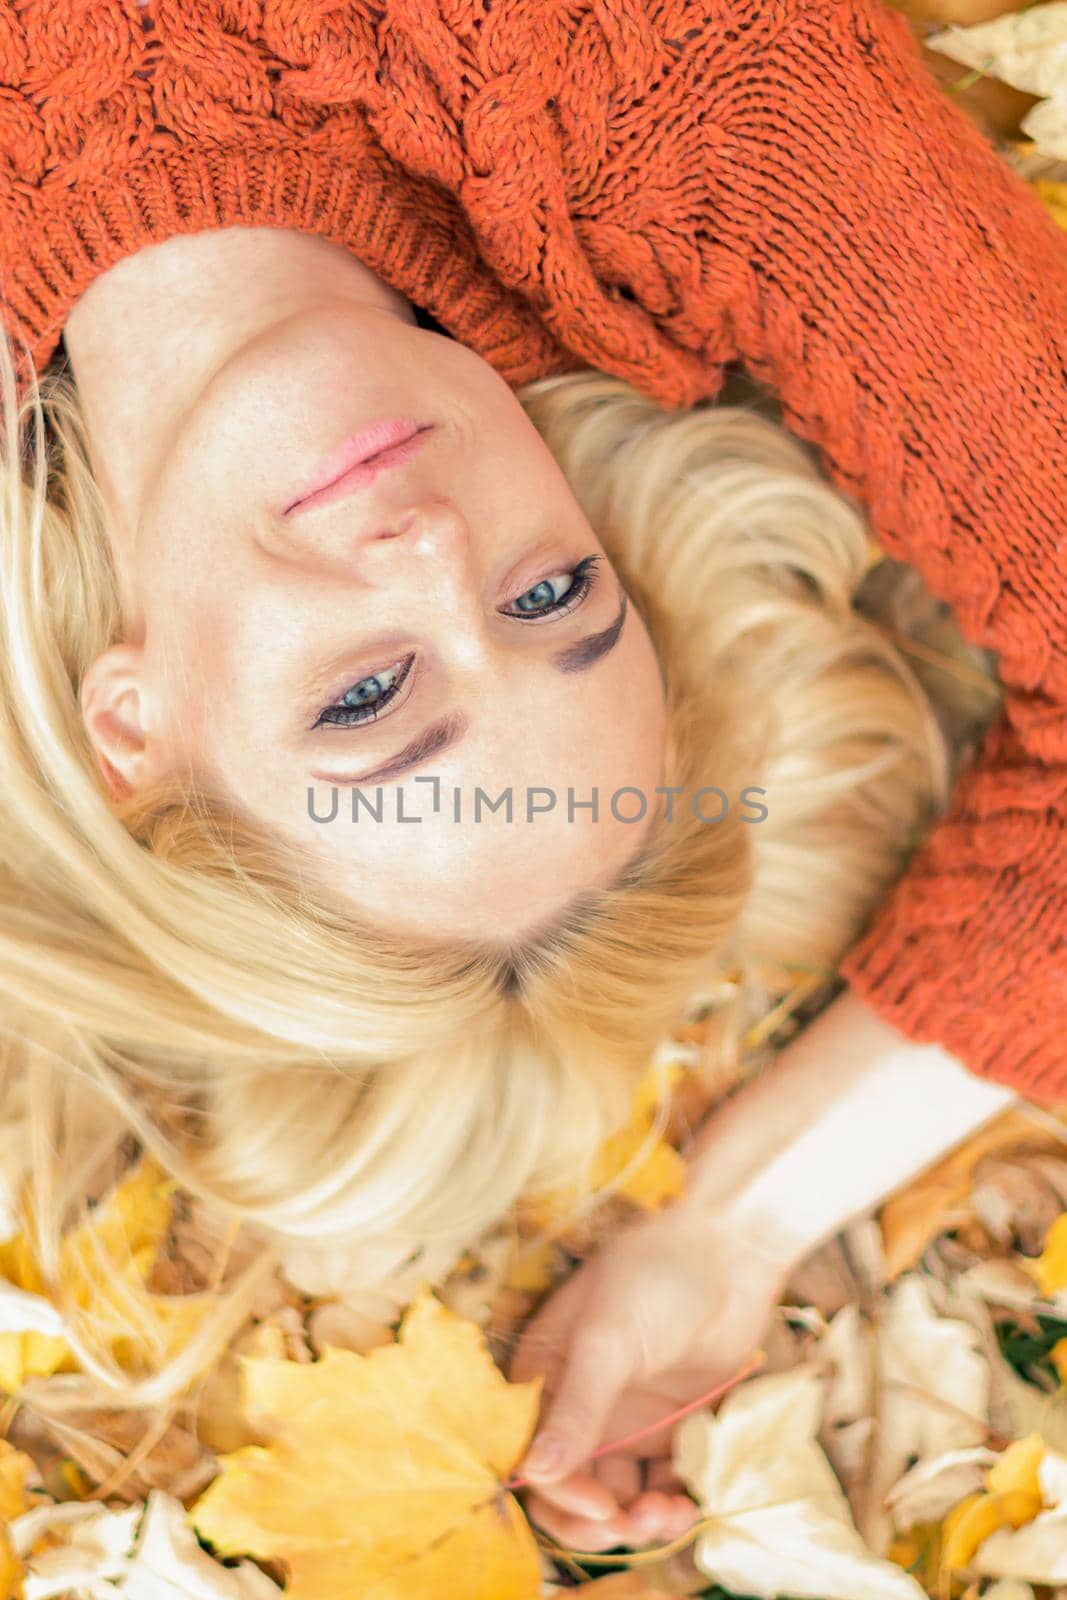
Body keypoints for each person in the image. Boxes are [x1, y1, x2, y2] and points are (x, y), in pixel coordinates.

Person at [0, 0, 1064, 1552]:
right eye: (552, 596)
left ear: (135, 733)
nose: (435, 555)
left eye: (368, 697)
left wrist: (733, 1223)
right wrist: (736, 1220)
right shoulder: (672, 116)